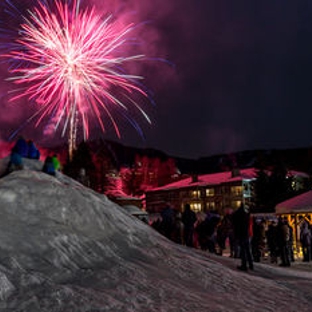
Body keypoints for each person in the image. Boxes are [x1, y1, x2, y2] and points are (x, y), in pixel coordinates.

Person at [232, 204, 254, 271]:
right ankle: (251, 265)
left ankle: (244, 265)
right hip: (247, 234)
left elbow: (235, 226)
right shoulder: (246, 215)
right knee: (248, 250)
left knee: (243, 250)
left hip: (241, 234)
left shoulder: (237, 216)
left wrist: (236, 235)